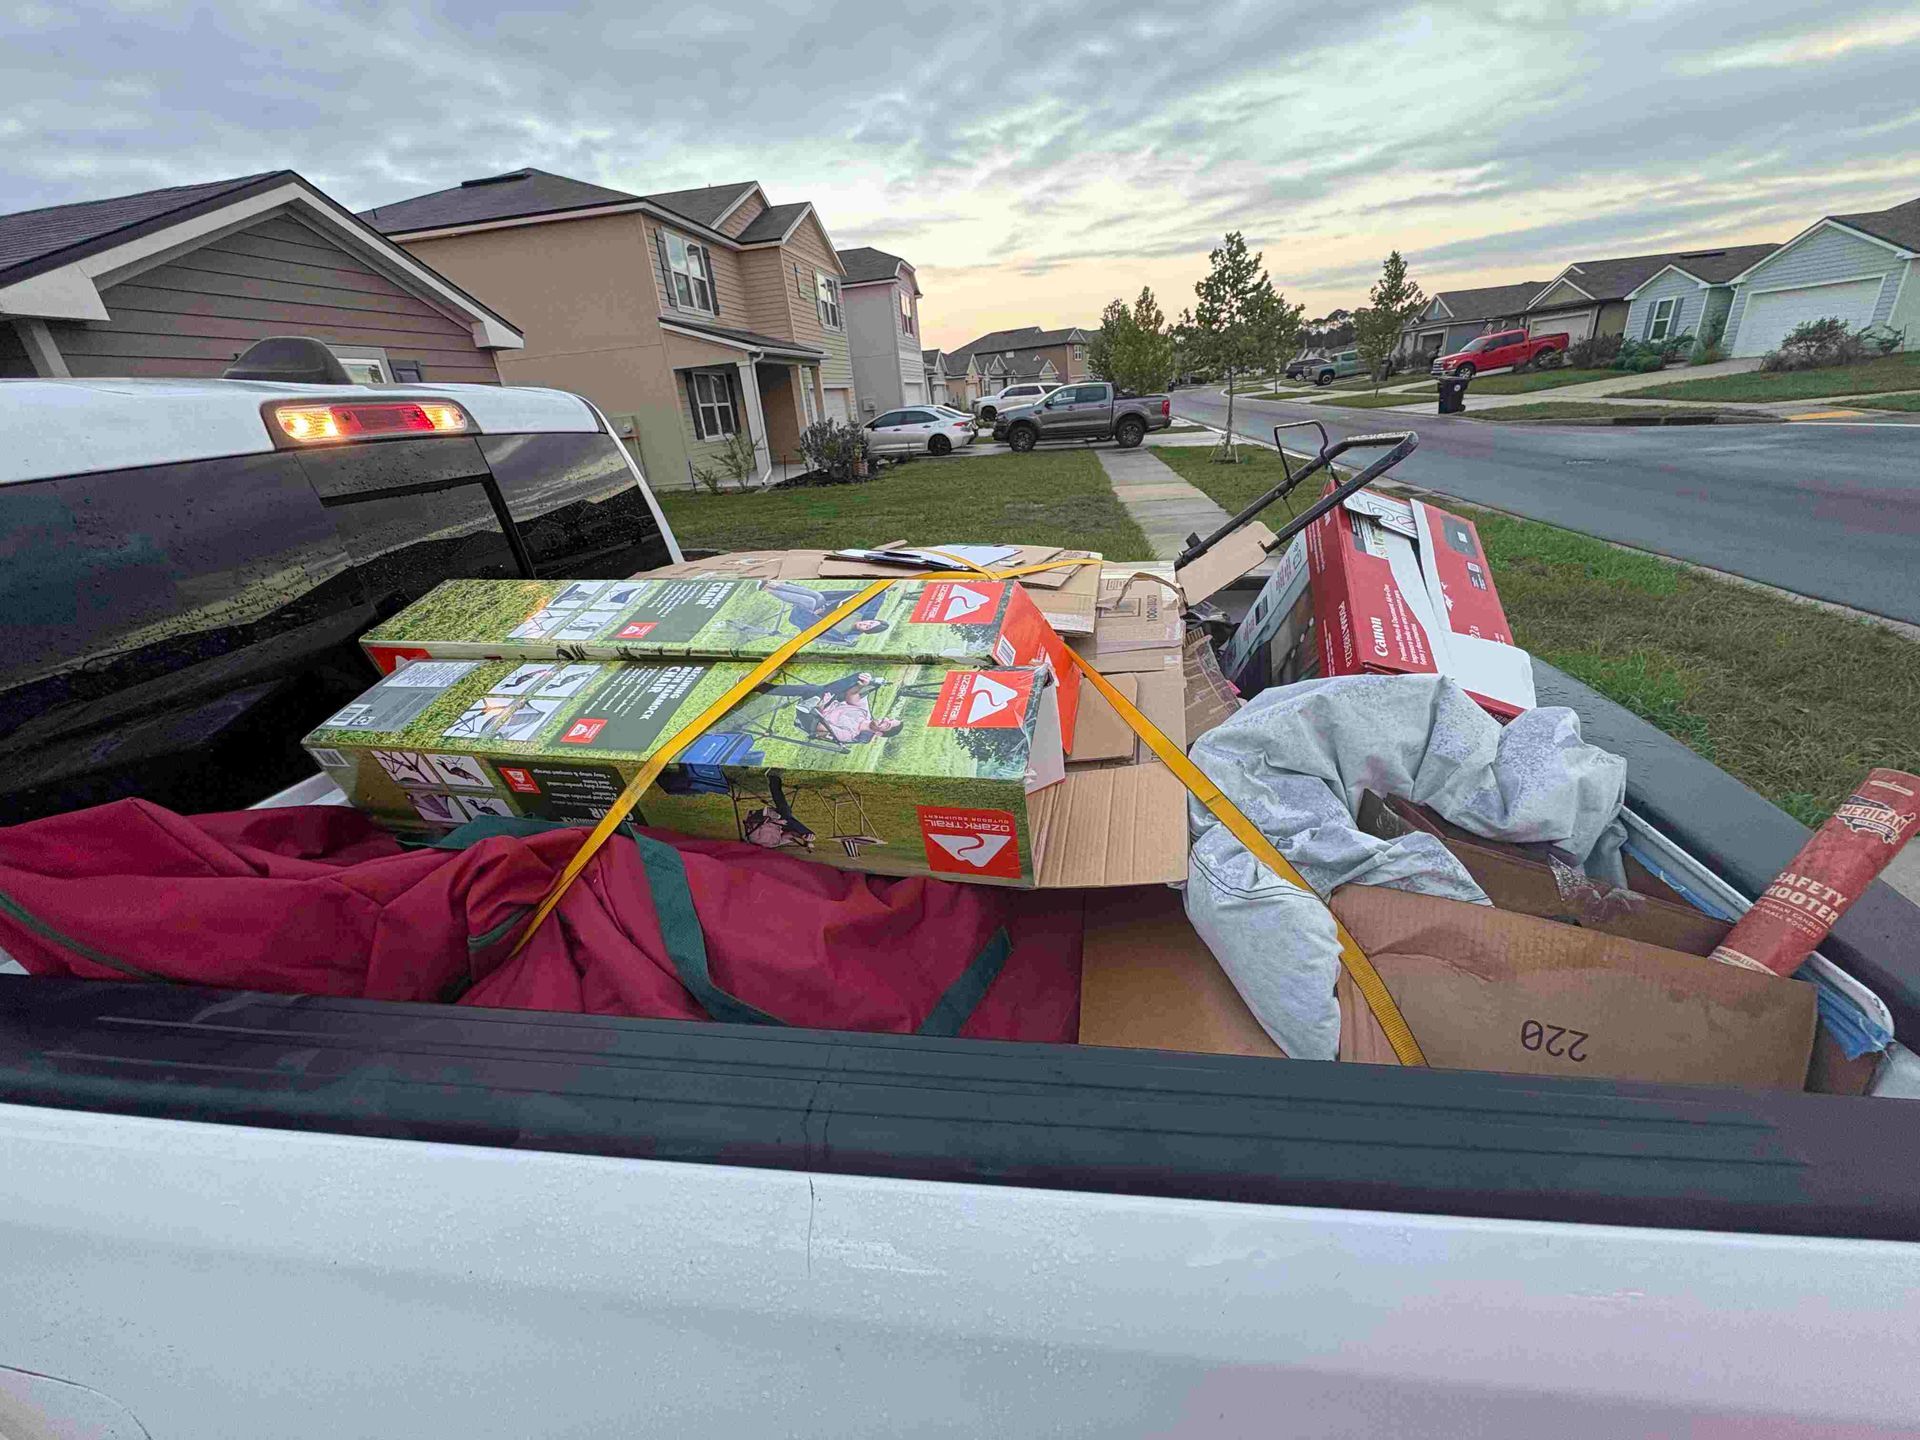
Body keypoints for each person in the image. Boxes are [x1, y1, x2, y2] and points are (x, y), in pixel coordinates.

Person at [755, 672, 903, 746]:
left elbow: (820, 727)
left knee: (814, 691)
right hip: (824, 701)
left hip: (812, 718)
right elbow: (852, 694)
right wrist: (862, 685)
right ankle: (763, 688)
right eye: (888, 718)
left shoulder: (851, 735)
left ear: (878, 732)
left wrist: (820, 706)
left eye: (887, 724)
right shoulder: (865, 714)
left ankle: (763, 688)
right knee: (858, 678)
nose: (885, 719)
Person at [758, 580, 889, 646]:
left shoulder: (845, 633)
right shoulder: (861, 615)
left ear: (866, 631)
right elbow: (871, 603)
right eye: (870, 622)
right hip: (823, 608)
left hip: (809, 617)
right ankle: (774, 585)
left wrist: (816, 614)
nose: (865, 624)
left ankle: (766, 589)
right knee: (817, 596)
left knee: (809, 601)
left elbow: (824, 630)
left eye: (867, 627)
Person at [742, 772, 815, 851]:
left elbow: (753, 822)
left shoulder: (754, 839)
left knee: (785, 815)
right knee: (786, 814)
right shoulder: (774, 844)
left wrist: (775, 820)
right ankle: (773, 778)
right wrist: (801, 837)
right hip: (782, 819)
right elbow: (791, 834)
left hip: (765, 816)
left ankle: (773, 778)